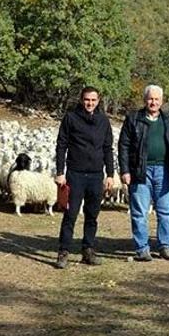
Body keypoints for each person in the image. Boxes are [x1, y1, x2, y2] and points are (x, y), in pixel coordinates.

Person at [118, 84, 169, 262]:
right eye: (150, 99)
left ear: (162, 101)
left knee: (167, 211)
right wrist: (125, 170)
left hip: (165, 170)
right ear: (145, 100)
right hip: (140, 170)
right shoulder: (133, 119)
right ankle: (142, 249)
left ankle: (166, 246)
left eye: (156, 99)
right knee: (139, 212)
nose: (153, 102)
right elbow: (123, 146)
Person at [54, 86, 115, 269]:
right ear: (81, 100)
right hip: (75, 174)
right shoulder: (71, 118)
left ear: (98, 101)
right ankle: (63, 251)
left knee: (92, 215)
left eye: (93, 100)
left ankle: (88, 250)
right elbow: (61, 145)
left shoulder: (103, 121)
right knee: (70, 214)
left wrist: (110, 174)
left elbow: (108, 148)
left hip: (96, 175)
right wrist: (60, 172)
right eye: (87, 99)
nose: (90, 103)